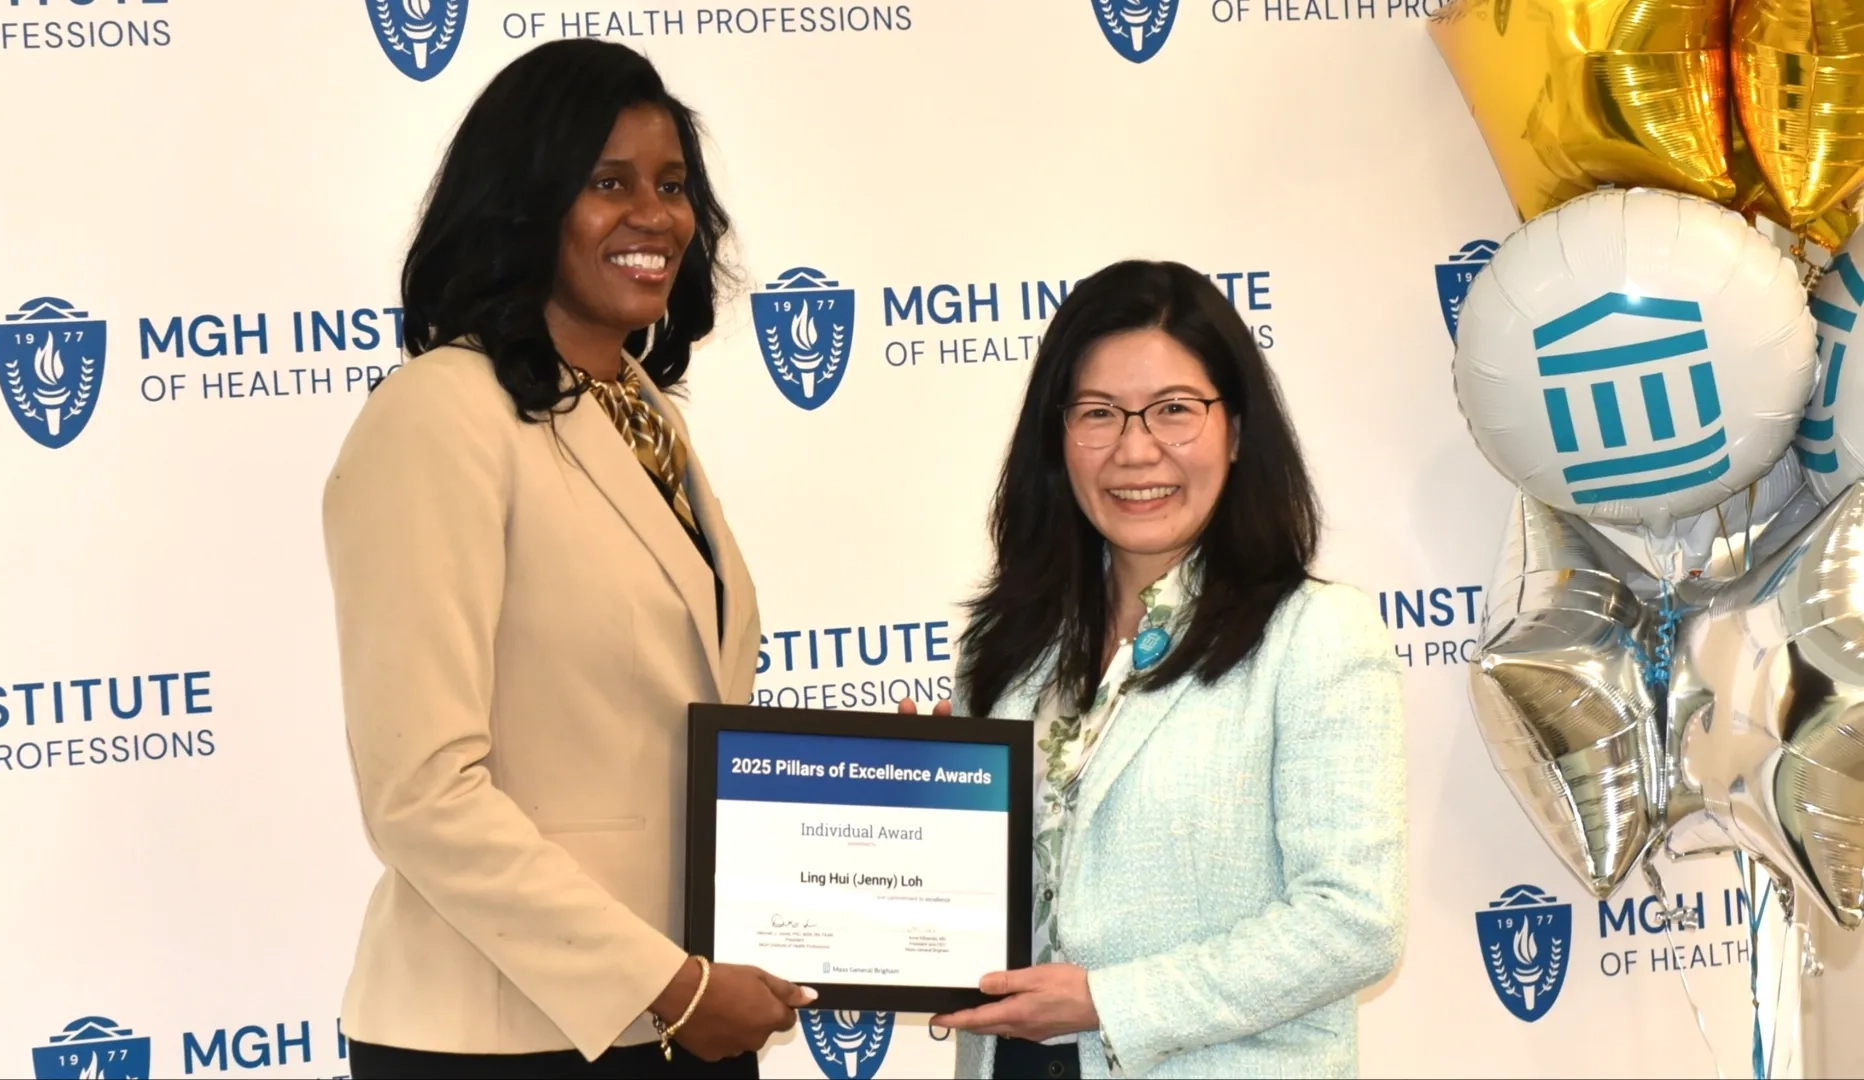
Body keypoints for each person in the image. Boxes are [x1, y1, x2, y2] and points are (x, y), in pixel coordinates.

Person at [319, 39, 810, 1080]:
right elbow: (422, 793)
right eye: (608, 183)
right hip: (508, 1035)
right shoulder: (438, 416)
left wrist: (878, 795)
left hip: (680, 1017)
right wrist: (667, 986)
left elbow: (664, 726)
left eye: (673, 186)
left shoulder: (641, 413)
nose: (656, 215)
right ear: (524, 201)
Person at [907, 260, 1408, 1078]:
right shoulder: (1004, 648)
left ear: (1237, 431)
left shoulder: (1315, 636)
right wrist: (918, 813)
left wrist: (1110, 1001)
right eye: (1099, 414)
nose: (1136, 451)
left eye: (1175, 411)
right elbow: (996, 903)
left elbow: (1353, 921)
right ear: (1057, 436)